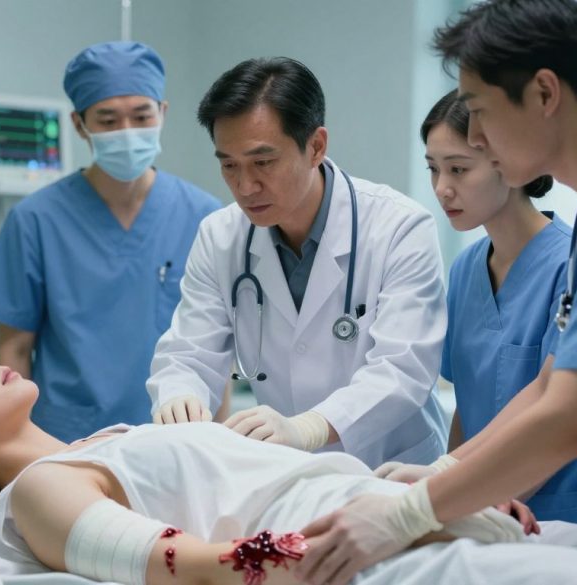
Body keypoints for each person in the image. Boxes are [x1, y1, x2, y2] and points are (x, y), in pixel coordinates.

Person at [296, 1, 577, 583]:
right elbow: (554, 379)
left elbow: (570, 419)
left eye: (479, 110)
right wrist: (444, 472)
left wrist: (410, 512)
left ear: (545, 93)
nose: (475, 134)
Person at [0, 346, 577, 585]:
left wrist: (410, 488)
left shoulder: (105, 443)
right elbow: (184, 563)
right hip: (372, 558)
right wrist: (339, 539)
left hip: (414, 521)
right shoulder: (38, 493)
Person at [146, 57, 449, 469]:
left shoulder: (399, 228)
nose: (245, 186)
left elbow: (402, 370)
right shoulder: (220, 237)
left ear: (316, 146)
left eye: (263, 162)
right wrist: (179, 394)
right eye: (228, 165)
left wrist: (310, 427)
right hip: (290, 473)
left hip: (389, 469)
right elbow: (188, 353)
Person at [0, 41, 220, 442]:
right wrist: (21, 446)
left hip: (176, 436)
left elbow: (217, 347)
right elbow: (13, 351)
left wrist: (218, 442)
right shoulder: (36, 219)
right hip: (66, 438)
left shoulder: (207, 217)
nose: (127, 132)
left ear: (163, 114)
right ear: (79, 124)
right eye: (107, 120)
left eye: (141, 116)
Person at [381, 89, 577, 525]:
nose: (442, 188)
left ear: (510, 165)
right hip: (483, 502)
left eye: (459, 169)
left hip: (559, 513)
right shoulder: (465, 269)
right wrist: (446, 492)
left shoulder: (572, 266)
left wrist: (455, 488)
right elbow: (468, 406)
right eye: (433, 169)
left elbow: (551, 402)